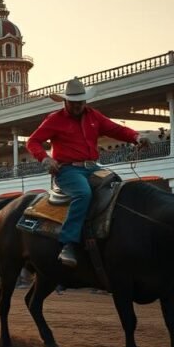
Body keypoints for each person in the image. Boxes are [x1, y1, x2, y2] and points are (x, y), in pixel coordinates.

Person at [26, 77, 148, 266]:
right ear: (66, 101)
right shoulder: (54, 119)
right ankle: (68, 243)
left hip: (93, 167)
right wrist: (45, 158)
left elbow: (116, 129)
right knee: (83, 194)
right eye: (74, 102)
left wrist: (137, 136)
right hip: (67, 171)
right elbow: (32, 141)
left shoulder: (94, 116)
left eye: (81, 102)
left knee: (119, 188)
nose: (77, 106)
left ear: (85, 101)